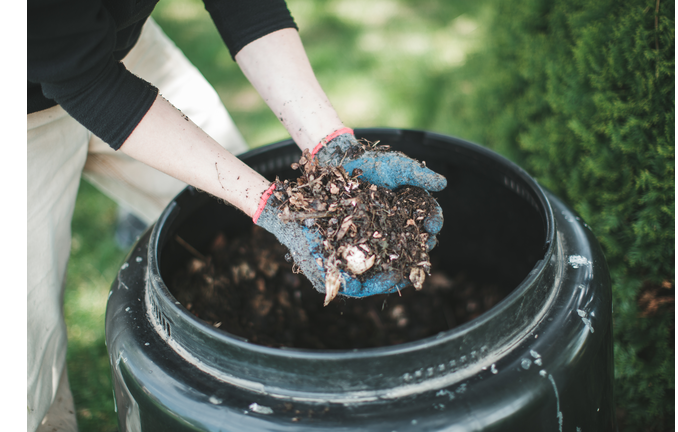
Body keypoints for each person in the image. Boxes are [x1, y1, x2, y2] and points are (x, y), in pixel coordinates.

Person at [27, 1, 445, 431]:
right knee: (22, 375)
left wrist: (330, 144)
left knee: (232, 241)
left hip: (113, 46)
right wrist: (269, 204)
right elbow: (82, 78)